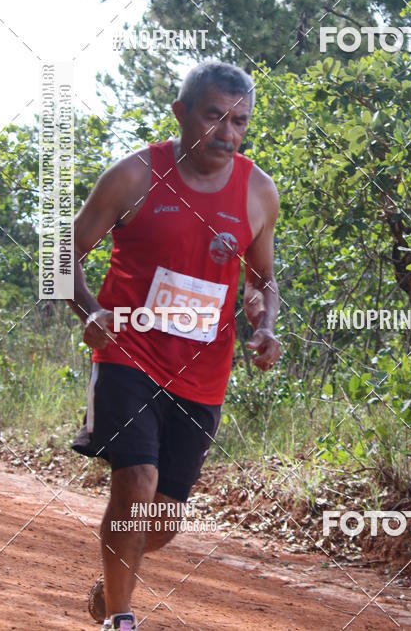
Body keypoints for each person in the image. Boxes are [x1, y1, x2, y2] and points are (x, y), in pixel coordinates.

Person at [69, 61, 281, 630]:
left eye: (239, 121)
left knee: (161, 521)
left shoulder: (258, 191)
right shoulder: (134, 175)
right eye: (214, 116)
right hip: (127, 357)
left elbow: (262, 279)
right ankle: (122, 619)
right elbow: (62, 258)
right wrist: (91, 312)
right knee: (136, 484)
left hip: (202, 374)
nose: (228, 134)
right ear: (180, 112)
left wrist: (263, 325)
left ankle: (110, 584)